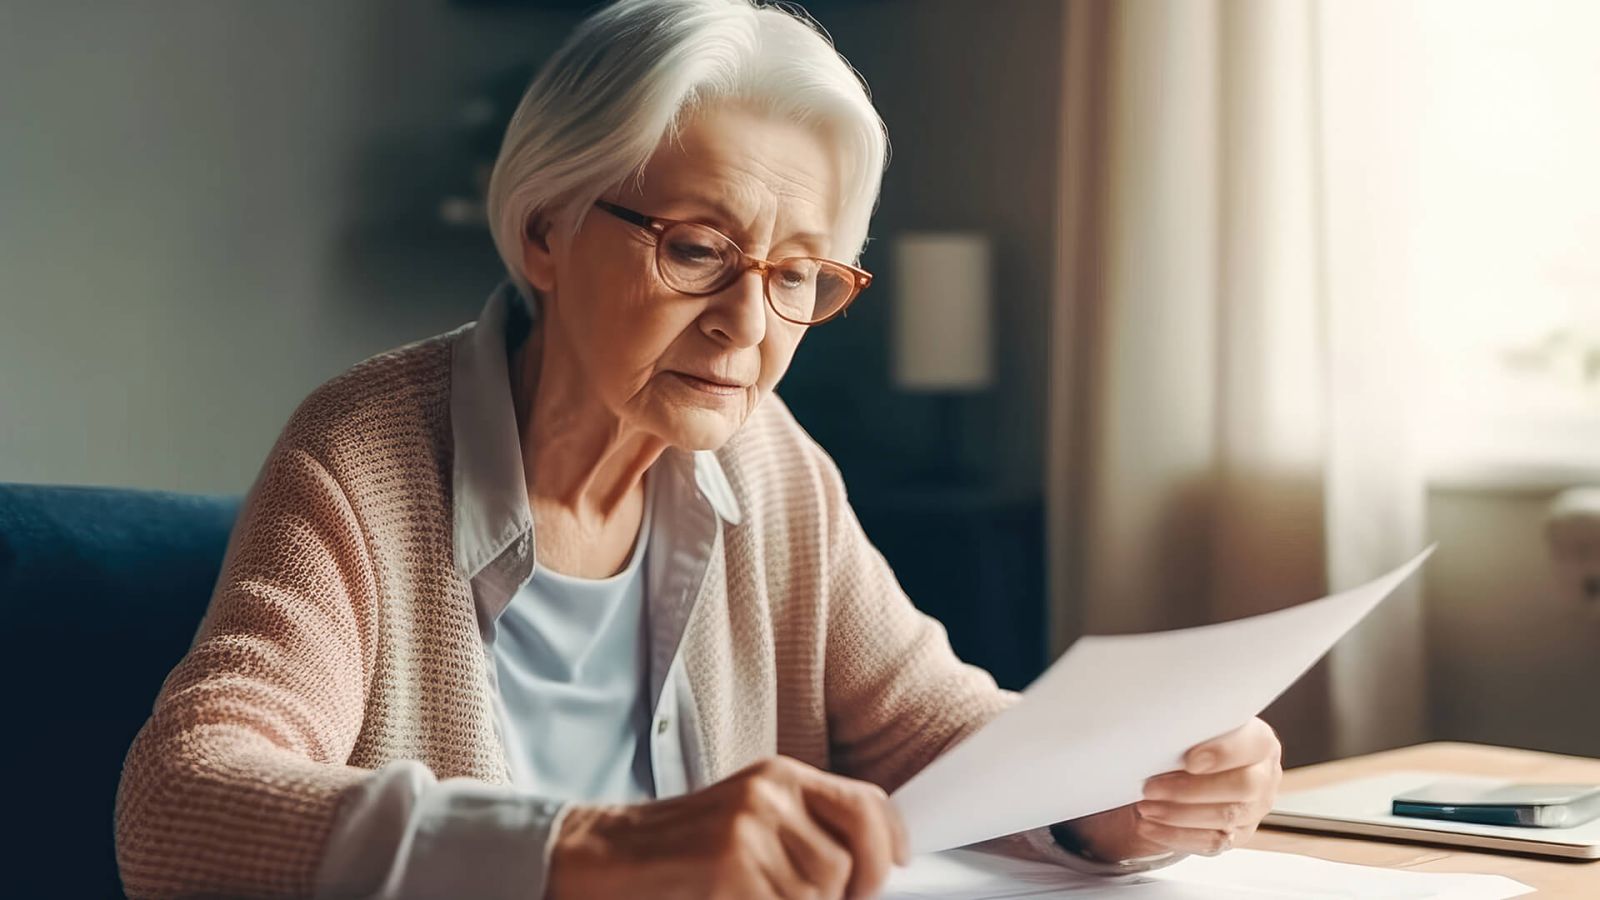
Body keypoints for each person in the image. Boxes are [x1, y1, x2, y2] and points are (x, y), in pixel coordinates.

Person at [113, 1, 1282, 897]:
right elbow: (183, 802)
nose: (746, 325)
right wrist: (594, 850)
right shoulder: (362, 454)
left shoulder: (769, 466)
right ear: (545, 232)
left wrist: (1113, 793)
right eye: (694, 249)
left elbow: (928, 725)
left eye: (796, 277)